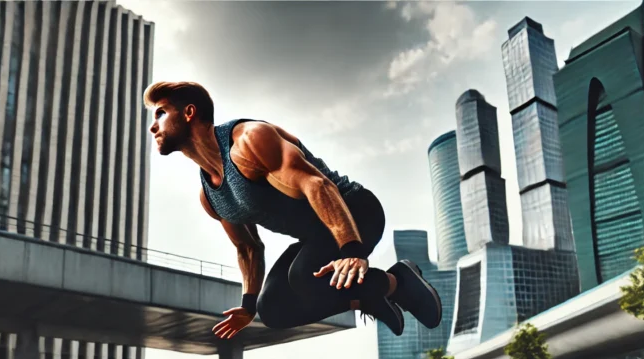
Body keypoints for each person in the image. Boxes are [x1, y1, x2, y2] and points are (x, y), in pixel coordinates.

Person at [143, 81, 442, 339]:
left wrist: (353, 252)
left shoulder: (249, 141)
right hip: (316, 239)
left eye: (160, 113)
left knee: (303, 276)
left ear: (189, 112)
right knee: (272, 310)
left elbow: (316, 185)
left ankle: (396, 282)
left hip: (355, 212)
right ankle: (370, 297)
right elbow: (248, 248)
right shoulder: (210, 197)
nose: (153, 126)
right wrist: (248, 307)